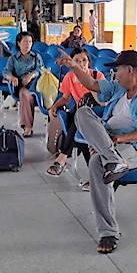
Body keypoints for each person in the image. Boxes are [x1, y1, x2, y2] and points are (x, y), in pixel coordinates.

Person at [57, 49, 137, 254]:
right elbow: (91, 84)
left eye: (118, 70)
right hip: (110, 142)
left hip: (133, 147)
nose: (114, 75)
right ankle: (112, 158)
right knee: (82, 113)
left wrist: (116, 140)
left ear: (130, 70)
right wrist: (73, 66)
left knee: (97, 164)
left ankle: (108, 232)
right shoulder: (118, 88)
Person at [46, 48, 106, 188]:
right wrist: (55, 106)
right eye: (77, 61)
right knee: (80, 128)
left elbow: (104, 101)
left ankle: (62, 158)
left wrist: (90, 85)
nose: (81, 64)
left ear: (89, 62)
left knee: (81, 126)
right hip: (79, 113)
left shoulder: (98, 76)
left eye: (84, 60)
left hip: (97, 113)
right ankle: (94, 177)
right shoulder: (69, 77)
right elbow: (66, 98)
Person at [3, 32, 44, 137]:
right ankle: (27, 127)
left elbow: (41, 69)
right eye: (25, 41)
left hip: (37, 85)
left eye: (30, 42)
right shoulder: (13, 58)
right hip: (23, 86)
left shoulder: (36, 56)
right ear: (19, 43)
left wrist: (32, 75)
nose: (28, 44)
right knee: (25, 95)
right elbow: (6, 72)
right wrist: (11, 77)